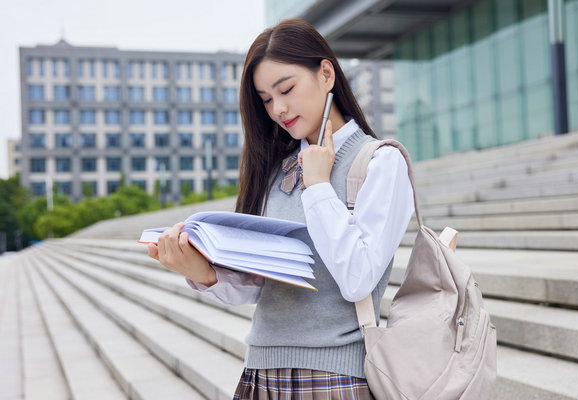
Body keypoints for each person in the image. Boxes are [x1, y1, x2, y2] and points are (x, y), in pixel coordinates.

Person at [148, 18, 414, 399]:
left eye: (286, 89)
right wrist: (203, 273)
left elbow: (359, 277)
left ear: (326, 74)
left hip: (334, 376)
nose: (279, 108)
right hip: (261, 370)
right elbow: (262, 286)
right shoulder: (276, 167)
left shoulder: (379, 162)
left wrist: (319, 186)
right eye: (266, 99)